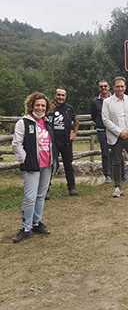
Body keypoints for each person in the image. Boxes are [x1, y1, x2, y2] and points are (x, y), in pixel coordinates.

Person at [11, 92, 55, 243]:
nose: (40, 108)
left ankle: (36, 223)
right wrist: (25, 160)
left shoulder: (47, 122)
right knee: (30, 197)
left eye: (43, 105)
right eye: (37, 105)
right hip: (32, 166)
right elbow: (16, 144)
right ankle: (26, 227)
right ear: (31, 106)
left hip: (46, 165)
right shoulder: (23, 122)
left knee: (41, 196)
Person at [89, 80, 128, 183]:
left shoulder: (114, 99)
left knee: (119, 152)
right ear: (99, 88)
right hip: (102, 130)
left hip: (115, 129)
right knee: (105, 153)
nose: (103, 88)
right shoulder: (95, 101)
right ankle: (108, 175)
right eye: (101, 87)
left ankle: (123, 174)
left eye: (105, 86)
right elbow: (93, 116)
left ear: (109, 87)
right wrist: (100, 124)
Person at [50, 88, 79, 196]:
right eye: (58, 95)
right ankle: (46, 189)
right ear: (55, 95)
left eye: (63, 95)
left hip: (66, 141)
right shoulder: (49, 107)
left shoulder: (69, 108)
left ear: (65, 97)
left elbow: (76, 122)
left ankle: (72, 188)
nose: (60, 97)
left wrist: (74, 132)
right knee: (52, 165)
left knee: (68, 165)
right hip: (52, 141)